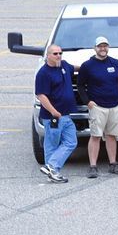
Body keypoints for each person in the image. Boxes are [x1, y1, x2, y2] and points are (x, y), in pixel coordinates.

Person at [79, 37, 118, 178]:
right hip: (97, 107)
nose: (103, 48)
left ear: (108, 47)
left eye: (105, 46)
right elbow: (80, 85)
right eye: (100, 46)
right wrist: (88, 102)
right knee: (95, 136)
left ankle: (113, 164)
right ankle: (93, 166)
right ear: (95, 48)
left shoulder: (116, 63)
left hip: (115, 106)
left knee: (112, 136)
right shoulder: (87, 65)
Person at [33, 44, 78, 184]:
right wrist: (53, 111)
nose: (59, 56)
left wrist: (90, 66)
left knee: (71, 142)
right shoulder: (43, 73)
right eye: (55, 54)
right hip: (54, 117)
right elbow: (41, 95)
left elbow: (75, 68)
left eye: (60, 53)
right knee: (52, 144)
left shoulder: (64, 66)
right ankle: (52, 169)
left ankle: (51, 168)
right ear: (48, 55)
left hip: (66, 115)